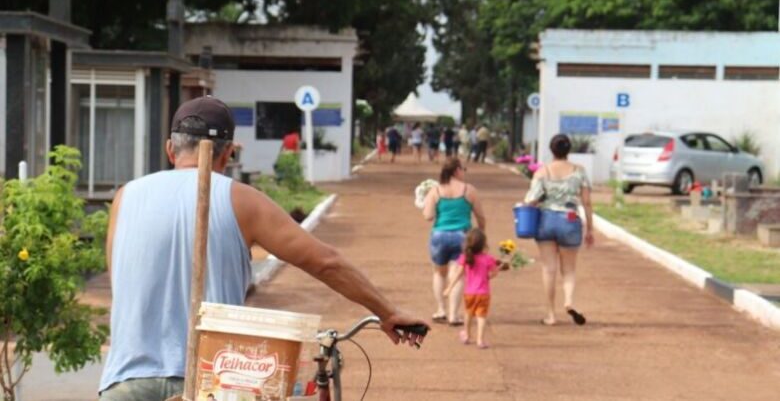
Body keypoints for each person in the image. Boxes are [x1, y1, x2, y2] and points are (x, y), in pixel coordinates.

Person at [99, 97, 426, 400]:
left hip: (124, 383)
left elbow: (121, 281)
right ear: (227, 154)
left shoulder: (125, 197)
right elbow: (325, 262)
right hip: (209, 382)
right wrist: (387, 312)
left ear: (171, 149)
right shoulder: (240, 200)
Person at [524, 134, 594, 327]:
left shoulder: (542, 172)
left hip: (546, 221)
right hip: (570, 220)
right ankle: (569, 301)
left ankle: (550, 315)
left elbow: (531, 199)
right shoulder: (580, 172)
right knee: (569, 269)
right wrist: (590, 229)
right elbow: (587, 202)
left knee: (549, 269)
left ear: (551, 150)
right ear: (568, 150)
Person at [422, 157, 486, 326]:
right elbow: (480, 215)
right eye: (463, 169)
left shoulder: (435, 191)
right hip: (462, 236)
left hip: (439, 235)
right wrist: (481, 233)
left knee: (439, 273)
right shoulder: (469, 190)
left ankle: (440, 309)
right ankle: (453, 314)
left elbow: (428, 216)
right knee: (457, 274)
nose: (464, 172)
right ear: (457, 170)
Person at [444, 228, 504, 349]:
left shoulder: (465, 257)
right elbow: (493, 274)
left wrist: (449, 288)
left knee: (468, 313)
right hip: (484, 293)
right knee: (481, 316)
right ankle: (480, 340)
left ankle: (467, 334)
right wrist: (498, 269)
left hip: (469, 292)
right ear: (484, 244)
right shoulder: (488, 259)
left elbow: (458, 274)